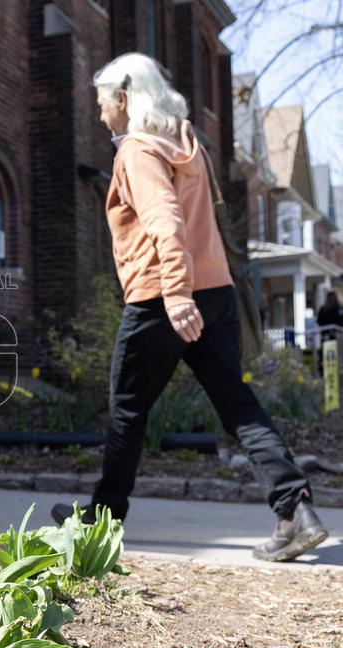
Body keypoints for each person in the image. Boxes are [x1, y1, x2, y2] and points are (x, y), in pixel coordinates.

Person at [51, 53, 328, 562]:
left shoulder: (138, 150)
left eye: (102, 101)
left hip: (163, 297)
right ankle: (297, 510)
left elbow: (165, 220)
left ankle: (101, 521)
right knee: (238, 405)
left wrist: (176, 294)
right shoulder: (187, 144)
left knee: (128, 411)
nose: (99, 112)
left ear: (123, 98)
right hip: (214, 292)